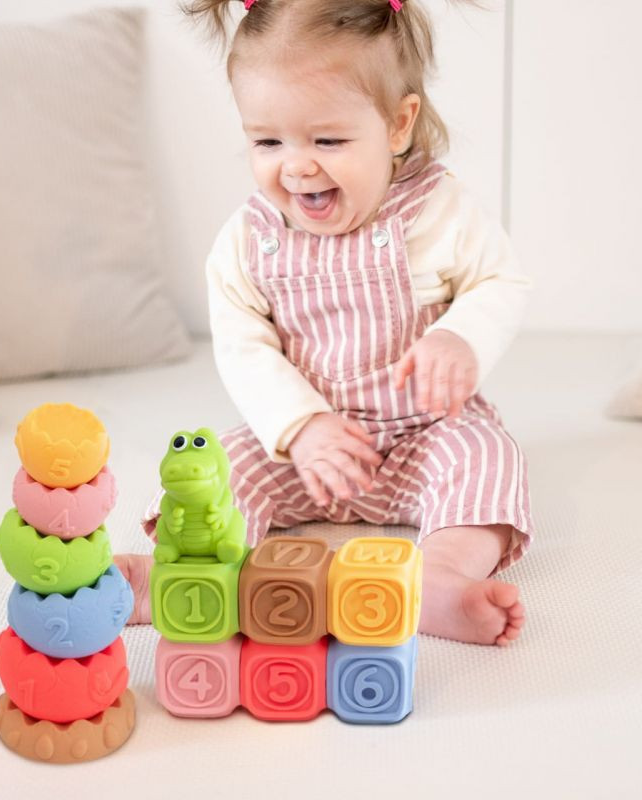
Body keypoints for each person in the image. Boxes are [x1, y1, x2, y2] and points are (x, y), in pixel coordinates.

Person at [116, 0, 531, 646]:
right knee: (216, 467)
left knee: (487, 457)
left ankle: (439, 577)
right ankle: (187, 573)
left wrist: (458, 337)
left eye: (327, 141)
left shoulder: (437, 211)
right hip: (302, 455)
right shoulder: (249, 240)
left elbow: (499, 280)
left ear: (397, 125)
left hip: (421, 439)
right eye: (267, 142)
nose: (297, 165)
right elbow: (242, 345)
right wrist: (301, 426)